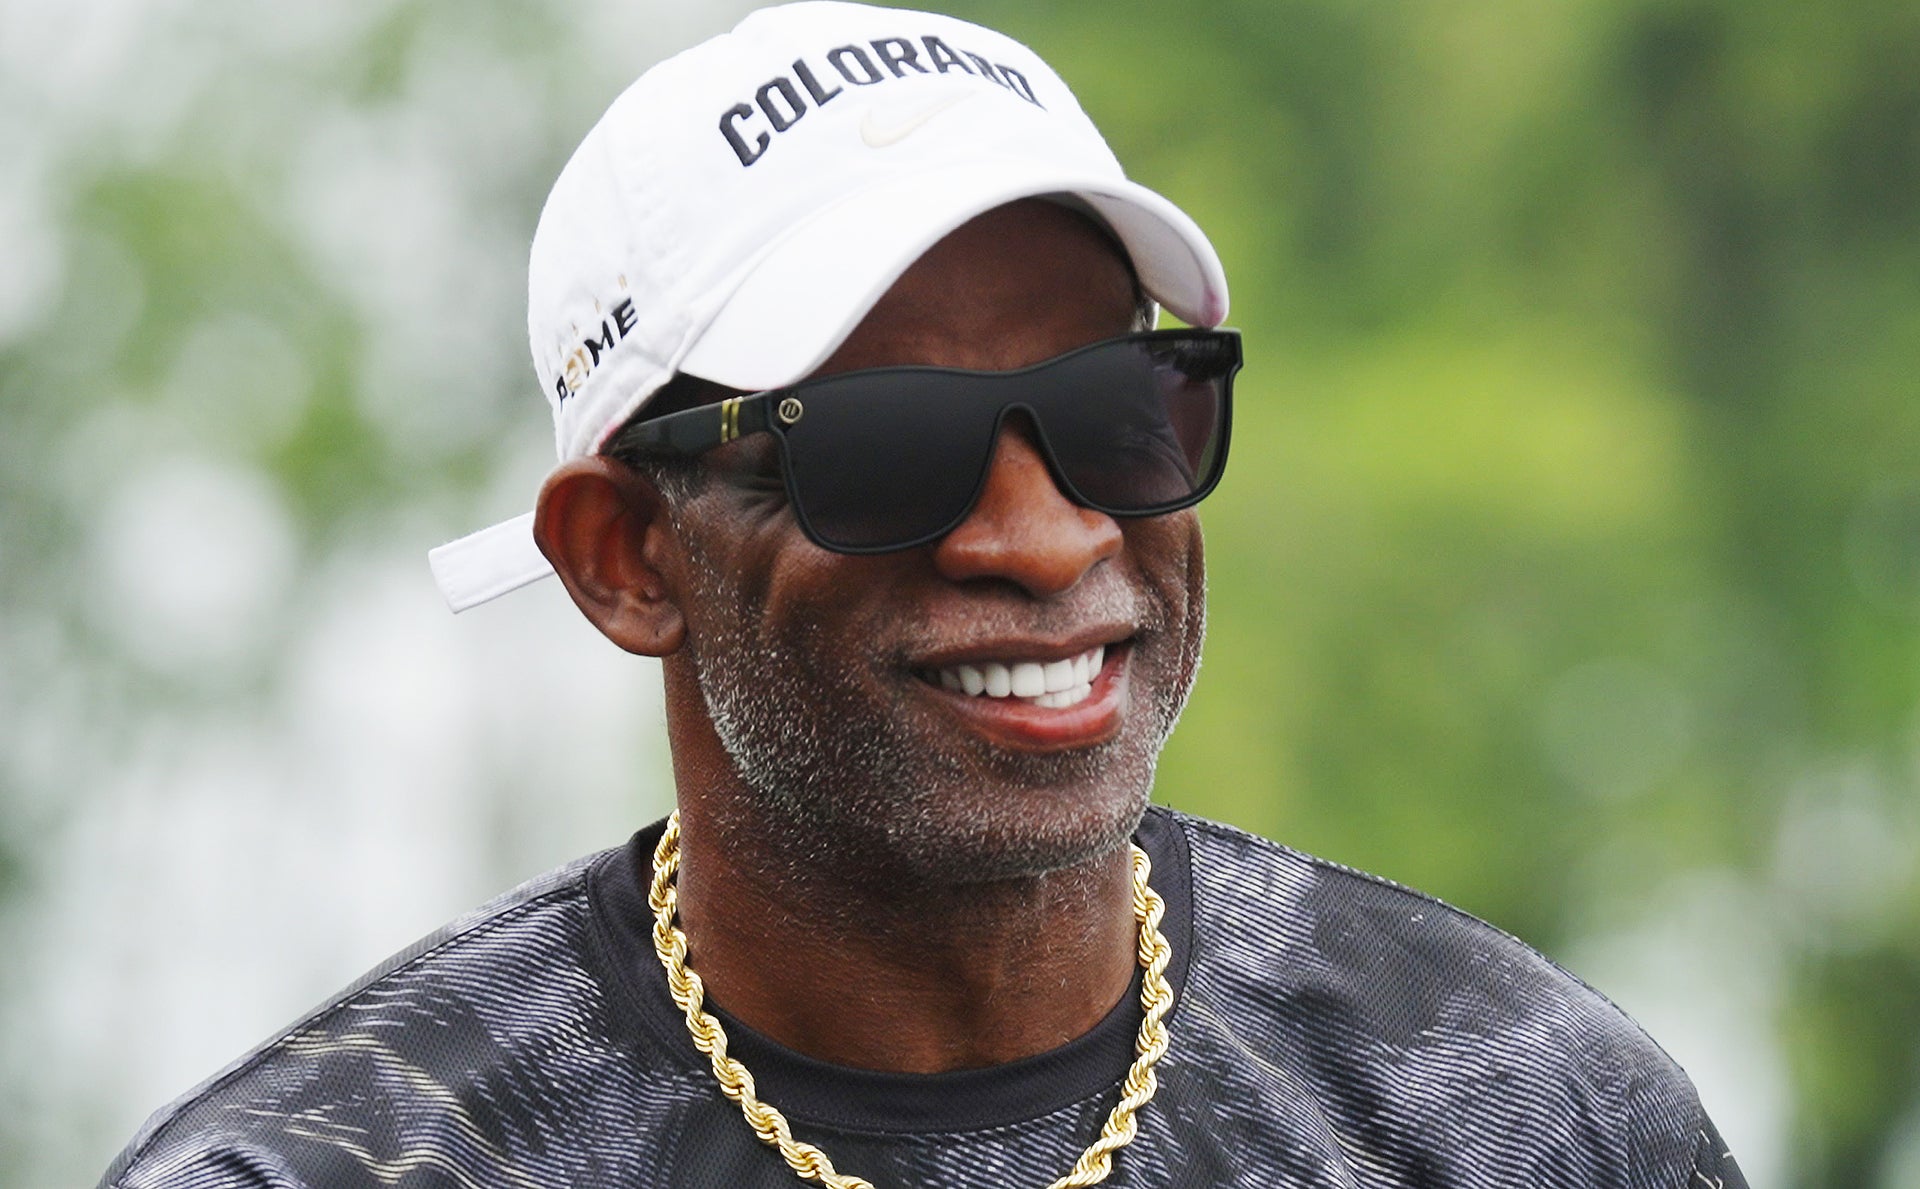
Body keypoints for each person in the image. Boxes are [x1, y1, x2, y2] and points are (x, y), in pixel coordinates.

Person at [99, 4, 1748, 1187]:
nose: (1045, 538)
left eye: (1120, 412)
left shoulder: (1519, 1111)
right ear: (626, 555)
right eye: (886, 446)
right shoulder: (350, 1160)